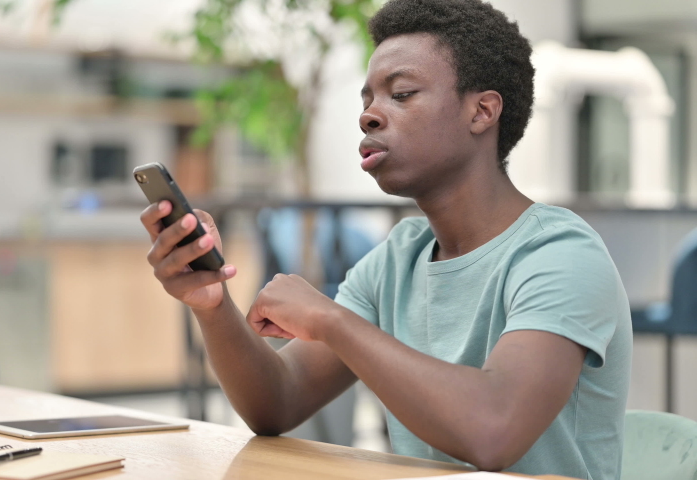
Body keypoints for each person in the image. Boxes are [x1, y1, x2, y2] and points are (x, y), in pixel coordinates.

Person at [140, 0, 632, 478]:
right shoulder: (401, 257)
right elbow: (278, 402)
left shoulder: (560, 254)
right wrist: (212, 304)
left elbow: (494, 430)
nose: (369, 116)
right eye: (368, 100)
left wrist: (331, 320)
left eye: (401, 94)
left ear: (482, 112)